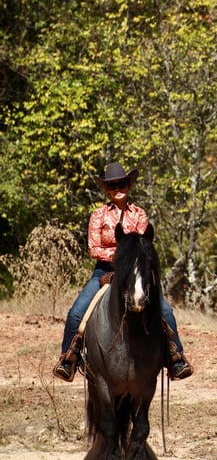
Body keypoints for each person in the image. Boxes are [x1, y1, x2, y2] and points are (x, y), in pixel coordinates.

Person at [53, 162, 193, 382]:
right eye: (112, 185)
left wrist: (129, 259)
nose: (117, 188)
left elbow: (143, 246)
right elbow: (93, 248)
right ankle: (69, 358)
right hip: (104, 272)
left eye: (122, 184)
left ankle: (176, 357)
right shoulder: (98, 215)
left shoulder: (139, 214)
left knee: (165, 310)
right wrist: (120, 257)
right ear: (107, 190)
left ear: (129, 185)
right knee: (77, 313)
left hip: (136, 272)